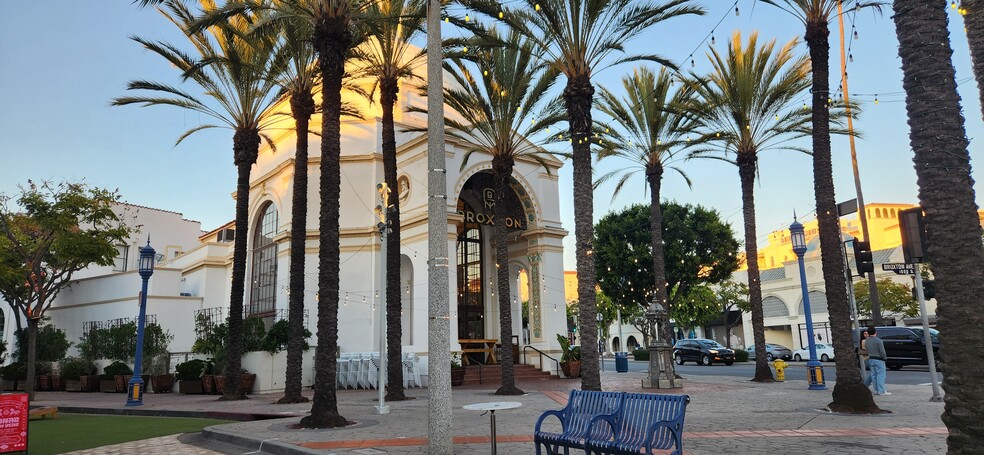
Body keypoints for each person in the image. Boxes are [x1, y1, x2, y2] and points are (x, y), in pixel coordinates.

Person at [865, 326, 890, 395]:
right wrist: (884, 358)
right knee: (881, 375)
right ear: (875, 332)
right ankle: (881, 390)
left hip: (871, 359)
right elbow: (882, 351)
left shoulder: (867, 341)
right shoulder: (878, 340)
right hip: (879, 359)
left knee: (874, 375)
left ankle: (876, 390)